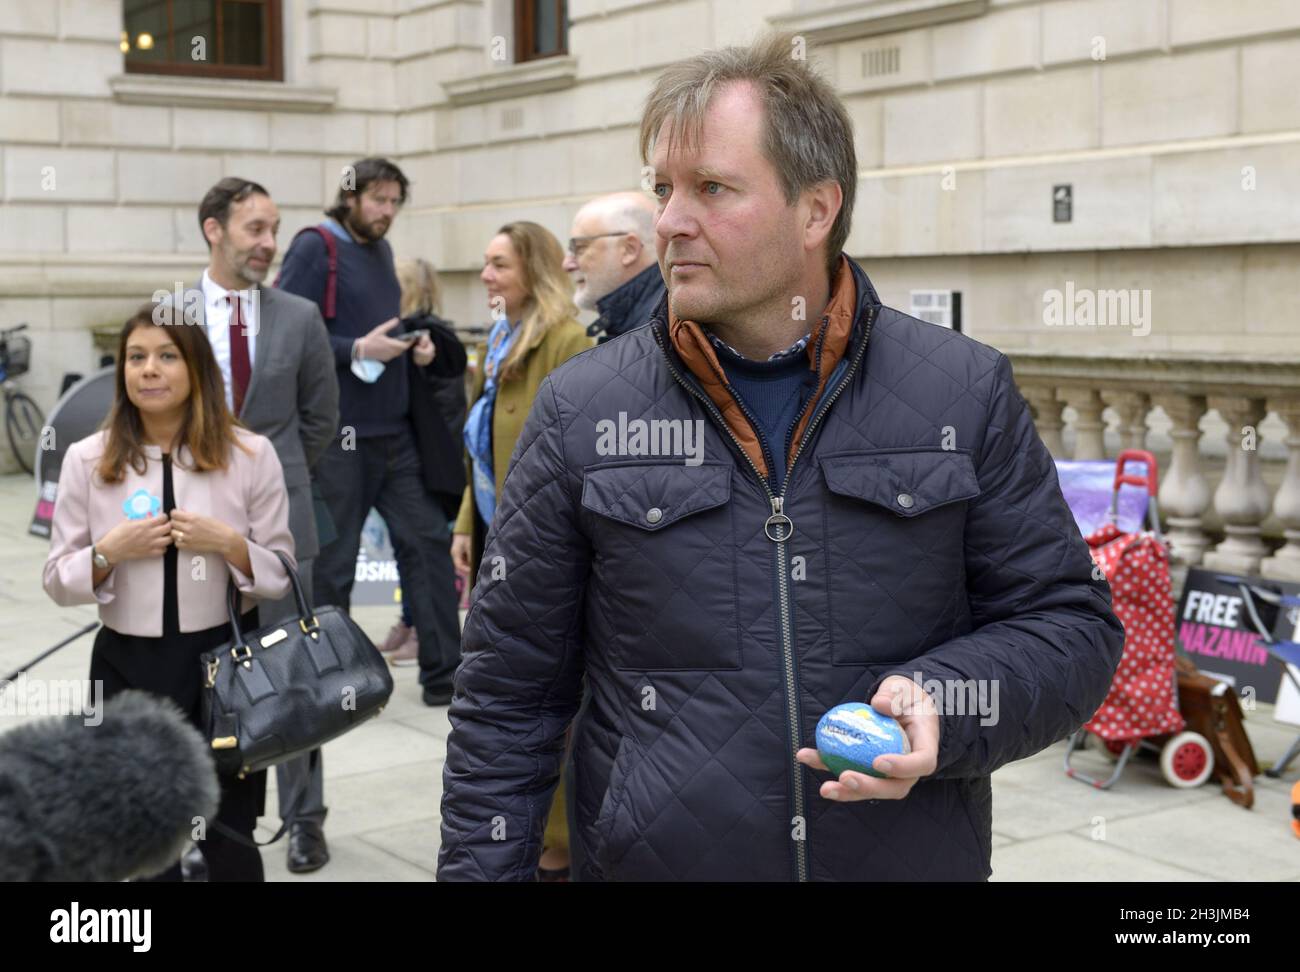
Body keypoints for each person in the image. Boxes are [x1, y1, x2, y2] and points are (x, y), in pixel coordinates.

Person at [437, 33, 1125, 882]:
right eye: (664, 189)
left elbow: (1070, 626)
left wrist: (946, 701)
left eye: (712, 189)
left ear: (815, 209)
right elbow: (509, 696)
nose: (670, 221)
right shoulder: (582, 409)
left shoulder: (962, 390)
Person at [43, 304, 294, 882]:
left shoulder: (250, 455)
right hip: (127, 668)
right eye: (136, 357)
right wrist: (110, 552)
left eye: (166, 356)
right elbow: (57, 579)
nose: (148, 370)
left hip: (224, 670)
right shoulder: (88, 459)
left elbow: (280, 572)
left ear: (196, 368)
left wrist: (230, 544)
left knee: (230, 832)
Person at [193, 177, 340, 875]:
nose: (268, 243)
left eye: (274, 228)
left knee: (293, 676)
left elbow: (321, 419)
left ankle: (304, 819)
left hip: (283, 527)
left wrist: (268, 483)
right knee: (200, 677)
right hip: (188, 532)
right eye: (254, 228)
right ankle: (202, 823)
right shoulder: (172, 316)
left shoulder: (300, 316)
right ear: (212, 230)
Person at [277, 157, 463, 708]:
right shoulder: (316, 246)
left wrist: (414, 347)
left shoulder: (381, 252)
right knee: (333, 563)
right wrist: (357, 349)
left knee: (427, 544)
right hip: (339, 437)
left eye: (394, 203)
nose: (386, 212)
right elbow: (288, 335)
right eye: (377, 200)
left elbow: (377, 331)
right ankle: (327, 682)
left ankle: (445, 676)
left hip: (397, 433)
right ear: (350, 196)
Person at [448, 221, 592, 881]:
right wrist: (462, 523)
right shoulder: (501, 338)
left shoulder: (565, 341)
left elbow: (570, 458)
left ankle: (558, 847)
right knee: (501, 696)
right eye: (484, 262)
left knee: (544, 698)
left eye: (499, 264)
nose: (485, 276)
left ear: (531, 270)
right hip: (494, 538)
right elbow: (482, 444)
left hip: (540, 553)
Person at [379, 257, 468, 666]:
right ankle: (412, 622)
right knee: (407, 549)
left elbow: (446, 403)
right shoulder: (401, 331)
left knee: (428, 552)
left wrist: (424, 367)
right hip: (410, 459)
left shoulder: (430, 335)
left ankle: (425, 632)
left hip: (428, 461)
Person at [562, 191, 665, 344]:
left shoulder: (661, 330)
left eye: (580, 247)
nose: (567, 264)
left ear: (629, 249)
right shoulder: (655, 323)